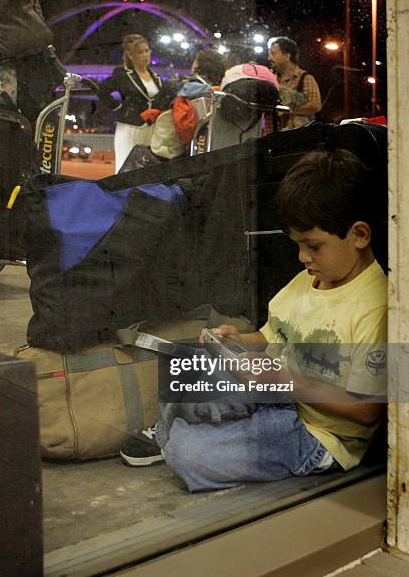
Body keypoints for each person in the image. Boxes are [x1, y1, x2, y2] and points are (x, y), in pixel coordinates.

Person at [120, 149, 387, 492]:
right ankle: (183, 428)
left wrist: (284, 380)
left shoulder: (376, 305)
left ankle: (175, 434)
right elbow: (271, 334)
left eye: (313, 246)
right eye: (297, 244)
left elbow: (368, 411)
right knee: (186, 365)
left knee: (190, 455)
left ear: (359, 235)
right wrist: (239, 341)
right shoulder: (311, 276)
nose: (303, 257)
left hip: (316, 433)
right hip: (275, 392)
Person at [97, 34, 163, 172]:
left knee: (147, 168)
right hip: (130, 127)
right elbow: (101, 90)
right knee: (125, 168)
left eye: (147, 50)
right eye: (140, 52)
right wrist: (119, 107)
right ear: (131, 55)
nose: (145, 55)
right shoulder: (122, 74)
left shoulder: (156, 77)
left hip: (151, 128)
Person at [266, 36, 322, 131]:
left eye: (273, 53)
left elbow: (314, 106)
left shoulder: (305, 78)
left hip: (296, 139)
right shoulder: (270, 79)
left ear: (287, 56)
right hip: (272, 137)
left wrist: (286, 110)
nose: (269, 58)